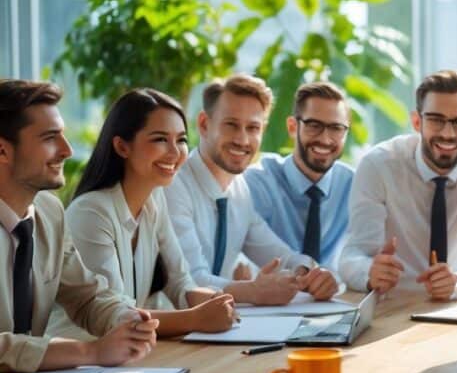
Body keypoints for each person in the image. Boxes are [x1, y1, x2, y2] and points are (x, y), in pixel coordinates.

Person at [47, 89, 236, 340]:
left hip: (129, 355)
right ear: (122, 146)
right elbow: (115, 316)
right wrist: (196, 318)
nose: (175, 152)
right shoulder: (91, 212)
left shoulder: (153, 198)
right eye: (160, 139)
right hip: (79, 359)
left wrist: (216, 301)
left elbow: (180, 283)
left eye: (180, 139)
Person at [0, 79, 158, 373]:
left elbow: (87, 295)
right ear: (2, 151)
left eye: (63, 135)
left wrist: (126, 318)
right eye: (50, 138)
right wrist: (89, 351)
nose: (67, 150)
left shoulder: (49, 213)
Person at [165, 74, 337, 304]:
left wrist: (310, 274)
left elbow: (282, 256)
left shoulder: (239, 189)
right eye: (231, 125)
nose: (242, 139)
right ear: (204, 124)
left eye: (253, 127)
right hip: (166, 330)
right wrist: (253, 291)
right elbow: (191, 281)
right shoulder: (174, 185)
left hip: (219, 329)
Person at [339, 70, 457, 300]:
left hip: (450, 305)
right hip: (388, 303)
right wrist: (369, 272)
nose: (447, 134)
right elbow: (353, 255)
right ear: (417, 122)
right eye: (436, 120)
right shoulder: (378, 165)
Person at [245, 82, 354, 272]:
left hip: (335, 298)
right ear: (293, 126)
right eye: (314, 125)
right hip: (268, 297)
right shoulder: (258, 182)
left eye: (336, 128)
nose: (325, 139)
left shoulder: (354, 185)